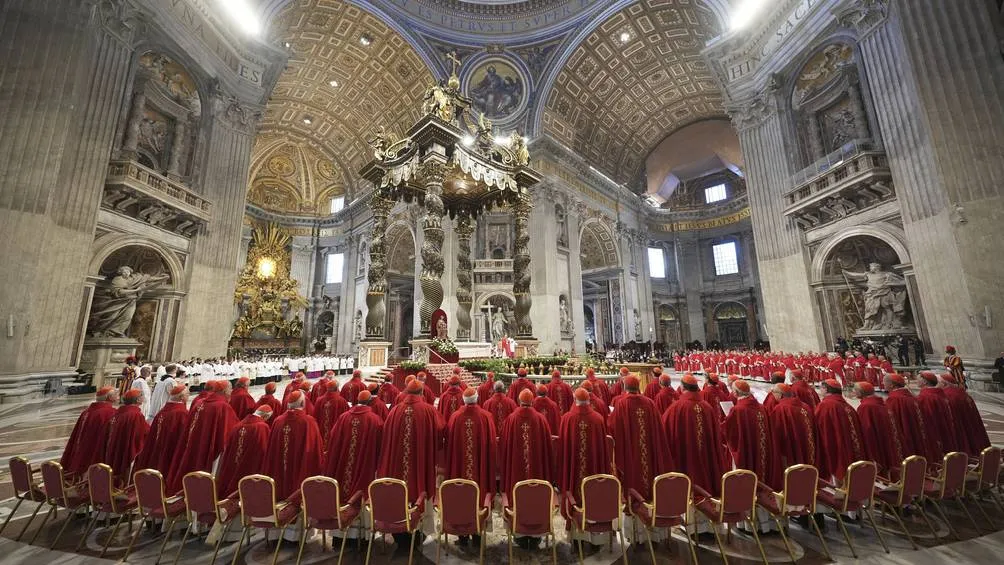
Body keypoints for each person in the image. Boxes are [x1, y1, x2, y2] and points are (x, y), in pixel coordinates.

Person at [445, 387, 496, 546]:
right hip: (479, 470)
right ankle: (478, 535)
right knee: (479, 495)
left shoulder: (455, 417)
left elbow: (449, 446)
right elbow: (492, 445)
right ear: (477, 398)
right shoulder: (486, 417)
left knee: (461, 495)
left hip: (460, 468)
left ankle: (462, 536)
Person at [378, 378, 443, 505]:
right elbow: (440, 430)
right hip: (420, 456)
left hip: (398, 457)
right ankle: (420, 511)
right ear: (421, 392)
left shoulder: (395, 410)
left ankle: (396, 508)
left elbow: (386, 433)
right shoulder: (429, 410)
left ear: (407, 391)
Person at [608, 375, 671, 502]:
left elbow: (612, 426)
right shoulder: (650, 403)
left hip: (631, 448)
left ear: (625, 387)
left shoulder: (621, 404)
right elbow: (658, 426)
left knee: (634, 468)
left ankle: (634, 499)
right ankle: (651, 495)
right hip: (648, 447)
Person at [167, 380, 239, 492]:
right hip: (211, 447)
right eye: (230, 389)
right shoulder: (222, 406)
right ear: (225, 390)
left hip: (195, 443)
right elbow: (231, 430)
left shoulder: (200, 402)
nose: (231, 392)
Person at [663, 374, 726, 495]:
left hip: (686, 454)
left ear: (682, 388)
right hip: (706, 455)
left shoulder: (677, 407)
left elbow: (666, 430)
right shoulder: (707, 407)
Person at [324, 390, 383, 501]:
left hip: (343, 460)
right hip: (363, 463)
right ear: (370, 402)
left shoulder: (343, 417)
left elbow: (333, 436)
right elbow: (379, 445)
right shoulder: (374, 420)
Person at [558, 388, 611, 511]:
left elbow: (563, 450)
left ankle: (573, 508)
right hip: (593, 465)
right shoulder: (598, 419)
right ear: (588, 400)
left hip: (574, 466)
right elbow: (602, 449)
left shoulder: (567, 419)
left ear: (574, 400)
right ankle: (595, 508)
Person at [265, 390, 323, 501]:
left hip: (279, 471)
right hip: (299, 469)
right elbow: (314, 450)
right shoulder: (308, 421)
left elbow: (271, 451)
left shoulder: (277, 421)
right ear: (302, 403)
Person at [500, 388, 553, 497]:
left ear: (519, 401)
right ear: (532, 401)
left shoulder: (511, 419)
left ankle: (516, 497)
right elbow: (547, 446)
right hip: (536, 462)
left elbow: (504, 442)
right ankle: (537, 497)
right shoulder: (541, 419)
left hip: (516, 462)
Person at [723, 380, 775, 485]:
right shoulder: (761, 407)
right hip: (760, 445)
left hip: (746, 446)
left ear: (736, 393)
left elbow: (729, 429)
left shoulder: (738, 409)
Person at [61, 387, 119, 479]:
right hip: (97, 451)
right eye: (116, 394)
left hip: (82, 447)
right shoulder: (110, 413)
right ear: (110, 397)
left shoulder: (86, 412)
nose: (118, 397)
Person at [768, 384, 818, 490]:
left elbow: (776, 433)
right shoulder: (805, 406)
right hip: (808, 446)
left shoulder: (781, 408)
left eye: (774, 393)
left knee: (791, 475)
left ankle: (793, 496)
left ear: (781, 395)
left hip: (790, 449)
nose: (773, 395)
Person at [885, 373, 941, 468]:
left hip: (904, 435)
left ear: (891, 385)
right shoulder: (911, 397)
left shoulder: (894, 399)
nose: (883, 384)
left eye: (884, 382)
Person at [216, 405, 272, 499]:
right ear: (265, 416)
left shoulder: (237, 426)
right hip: (250, 468)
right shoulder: (262, 427)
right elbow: (264, 450)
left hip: (233, 466)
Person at [814, 379, 865, 482]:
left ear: (826, 389)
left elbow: (818, 426)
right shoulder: (847, 405)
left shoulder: (826, 405)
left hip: (834, 445)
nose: (820, 390)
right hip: (848, 446)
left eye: (821, 388)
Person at [135, 384, 189, 474]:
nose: (188, 396)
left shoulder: (162, 411)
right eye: (187, 394)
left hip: (158, 450)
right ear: (182, 397)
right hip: (171, 452)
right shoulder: (182, 413)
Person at [100, 388, 150, 486]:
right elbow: (142, 434)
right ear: (138, 400)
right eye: (142, 395)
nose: (144, 397)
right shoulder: (135, 415)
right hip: (127, 450)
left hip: (114, 449)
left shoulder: (117, 414)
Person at [854, 382, 904, 477]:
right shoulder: (881, 402)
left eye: (855, 390)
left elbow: (866, 430)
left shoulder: (865, 407)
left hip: (876, 444)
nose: (853, 392)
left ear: (861, 392)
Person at [941, 374, 991, 456]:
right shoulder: (962, 393)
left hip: (960, 425)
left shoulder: (949, 395)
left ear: (944, 384)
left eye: (938, 383)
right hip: (970, 423)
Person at [916, 371, 957, 454]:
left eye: (918, 379)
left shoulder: (925, 397)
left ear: (924, 381)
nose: (916, 381)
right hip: (944, 428)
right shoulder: (940, 394)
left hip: (932, 432)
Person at [315, 380, 350, 448]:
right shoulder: (342, 401)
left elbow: (315, 416)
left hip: (321, 431)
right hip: (335, 433)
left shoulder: (319, 400)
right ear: (337, 388)